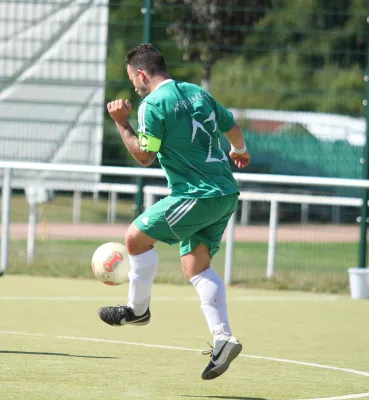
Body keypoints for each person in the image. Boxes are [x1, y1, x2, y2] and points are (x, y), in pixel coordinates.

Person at [99, 43, 251, 380]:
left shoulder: (152, 105)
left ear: (141, 74)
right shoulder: (197, 93)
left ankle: (137, 311)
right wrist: (239, 150)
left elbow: (144, 155)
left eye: (133, 79)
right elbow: (232, 127)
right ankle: (223, 338)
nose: (134, 86)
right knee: (195, 266)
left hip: (196, 194)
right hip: (225, 192)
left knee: (135, 239)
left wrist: (122, 123)